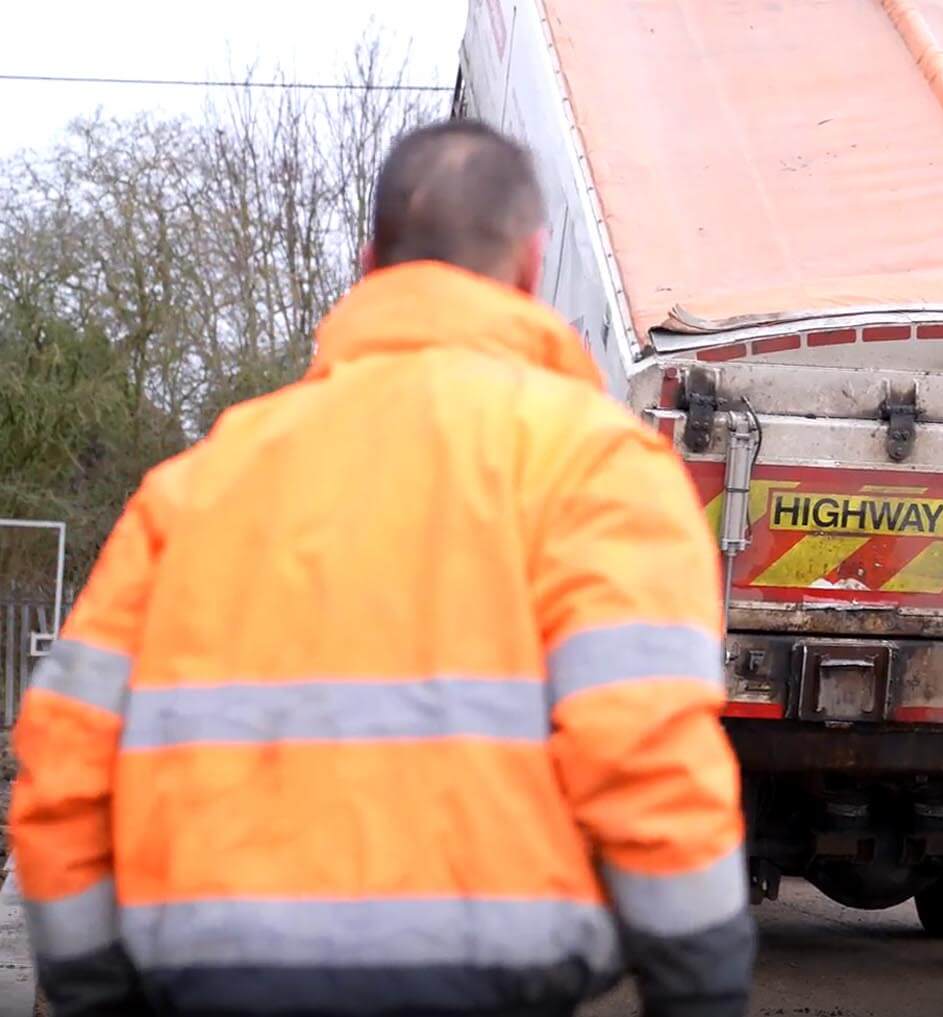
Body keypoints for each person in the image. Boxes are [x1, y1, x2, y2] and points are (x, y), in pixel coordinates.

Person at [9, 121, 754, 1017]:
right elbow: (648, 750)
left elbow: (62, 761)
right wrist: (700, 991)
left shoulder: (195, 485)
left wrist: (94, 986)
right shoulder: (595, 464)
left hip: (206, 979)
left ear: (370, 265)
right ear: (529, 264)